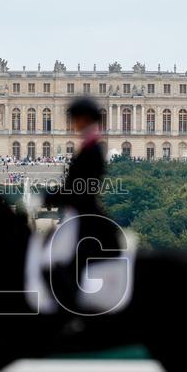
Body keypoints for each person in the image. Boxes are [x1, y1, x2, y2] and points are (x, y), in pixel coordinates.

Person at [41, 97, 122, 312]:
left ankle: (69, 311)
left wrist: (52, 197)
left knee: (50, 263)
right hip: (81, 213)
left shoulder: (92, 149)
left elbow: (82, 187)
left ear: (84, 119)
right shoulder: (89, 146)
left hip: (84, 217)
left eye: (76, 119)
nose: (73, 123)